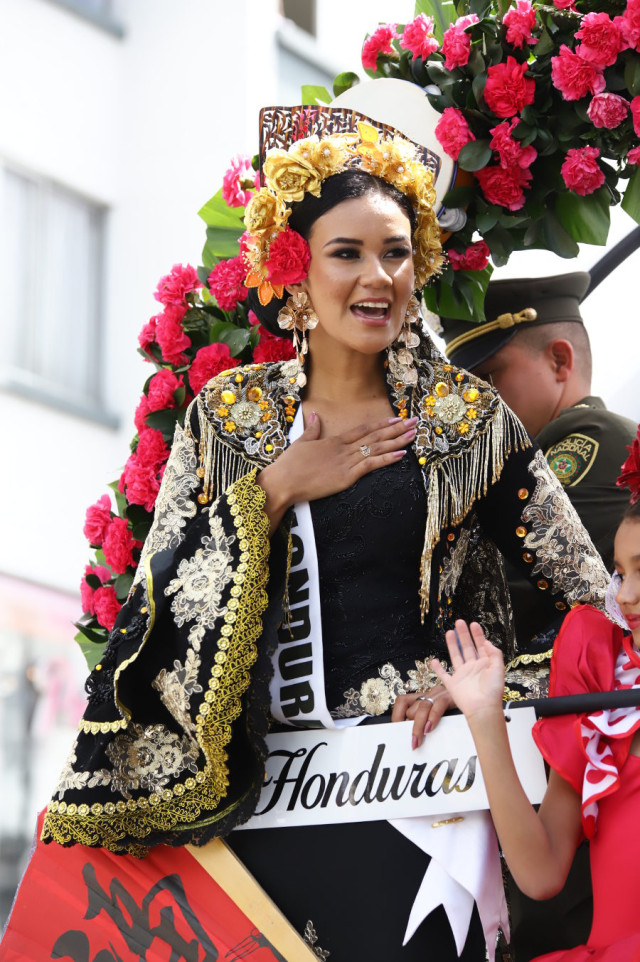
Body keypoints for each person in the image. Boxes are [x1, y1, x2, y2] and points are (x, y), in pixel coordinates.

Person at [39, 100, 609, 960]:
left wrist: (484, 691)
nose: (376, 277)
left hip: (417, 790)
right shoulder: (227, 417)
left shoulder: (463, 418)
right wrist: (271, 492)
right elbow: (152, 611)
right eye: (346, 253)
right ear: (293, 269)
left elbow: (594, 610)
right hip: (260, 812)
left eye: (395, 252)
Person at [431, 479, 640, 961]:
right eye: (618, 573)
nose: (626, 595)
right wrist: (484, 717)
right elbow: (541, 874)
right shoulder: (599, 671)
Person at [441, 274, 637, 653]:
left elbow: (514, 588)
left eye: (486, 379)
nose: (470, 400)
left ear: (559, 361)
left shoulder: (590, 437)